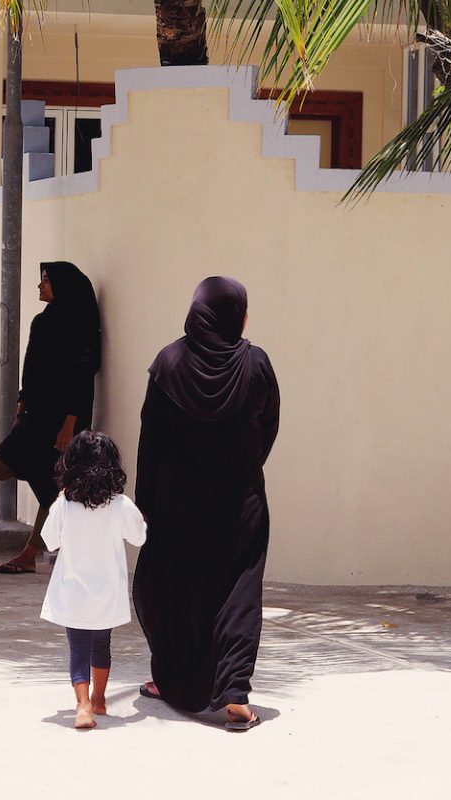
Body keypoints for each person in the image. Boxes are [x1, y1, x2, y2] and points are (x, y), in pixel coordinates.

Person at [132, 276, 280, 730]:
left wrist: (147, 502)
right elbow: (268, 428)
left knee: (173, 590)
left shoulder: (169, 362)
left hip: (177, 503)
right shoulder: (255, 364)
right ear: (237, 315)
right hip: (240, 504)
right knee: (238, 593)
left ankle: (173, 680)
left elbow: (149, 441)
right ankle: (234, 693)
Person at [0, 262, 101, 574]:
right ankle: (49, 532)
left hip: (63, 417)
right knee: (2, 467)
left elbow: (82, 377)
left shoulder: (80, 326)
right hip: (37, 413)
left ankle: (29, 555)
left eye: (47, 281)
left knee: (55, 480)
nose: (40, 286)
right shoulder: (43, 321)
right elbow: (31, 366)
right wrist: (22, 405)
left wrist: (70, 425)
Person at [40, 430, 147, 729]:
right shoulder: (119, 504)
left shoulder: (65, 503)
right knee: (102, 646)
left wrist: (59, 502)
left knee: (78, 649)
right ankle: (99, 699)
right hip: (107, 592)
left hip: (73, 590)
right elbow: (138, 537)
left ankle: (82, 705)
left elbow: (48, 539)